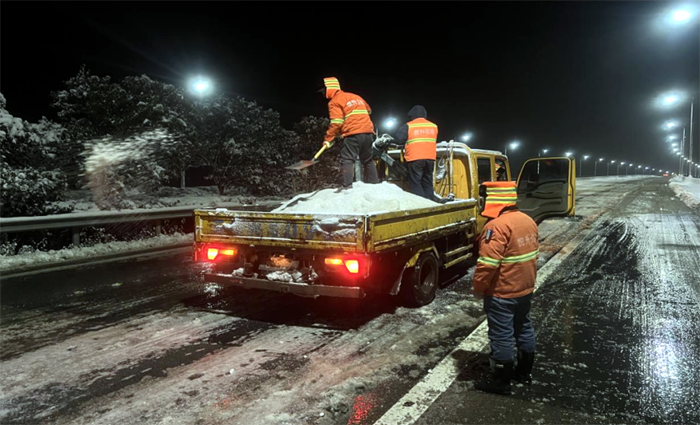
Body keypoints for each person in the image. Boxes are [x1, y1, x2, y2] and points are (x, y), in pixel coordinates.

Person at [473, 181, 538, 395]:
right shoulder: (527, 220)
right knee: (524, 328)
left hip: (502, 291)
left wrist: (479, 287)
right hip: (525, 289)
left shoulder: (496, 226)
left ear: (494, 200)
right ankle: (524, 373)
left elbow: (488, 263)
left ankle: (501, 382)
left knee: (501, 334)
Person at [321, 77, 379, 188]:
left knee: (347, 159)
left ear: (328, 88)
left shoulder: (334, 102)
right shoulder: (356, 97)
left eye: (323, 91)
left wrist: (328, 139)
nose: (323, 94)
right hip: (368, 133)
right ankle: (375, 185)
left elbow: (336, 122)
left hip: (353, 133)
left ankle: (347, 186)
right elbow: (369, 110)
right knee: (367, 160)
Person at [389, 105, 438, 200]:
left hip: (415, 158)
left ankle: (422, 205)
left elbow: (399, 140)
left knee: (416, 183)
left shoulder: (409, 125)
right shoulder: (433, 126)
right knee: (427, 183)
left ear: (412, 115)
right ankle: (431, 205)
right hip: (430, 158)